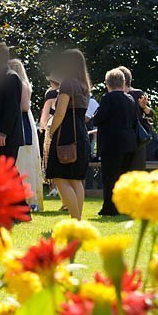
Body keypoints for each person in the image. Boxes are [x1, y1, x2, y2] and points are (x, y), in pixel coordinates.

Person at [45, 49, 91, 220]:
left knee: (59, 176)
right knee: (75, 179)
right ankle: (77, 220)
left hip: (66, 134)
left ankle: (75, 219)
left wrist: (51, 131)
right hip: (80, 133)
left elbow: (60, 113)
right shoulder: (84, 85)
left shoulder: (67, 84)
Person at [92, 69, 138, 216]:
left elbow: (98, 119)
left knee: (109, 177)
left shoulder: (108, 98)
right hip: (129, 143)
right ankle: (122, 206)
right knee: (122, 177)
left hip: (112, 143)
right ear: (123, 82)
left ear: (108, 83)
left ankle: (109, 207)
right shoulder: (130, 99)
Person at [8, 59, 43, 211]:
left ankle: (27, 199)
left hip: (21, 121)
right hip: (22, 119)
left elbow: (24, 106)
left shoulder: (21, 85)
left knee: (23, 162)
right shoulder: (25, 84)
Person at [117, 66, 153, 170]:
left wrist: (144, 107)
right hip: (122, 138)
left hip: (137, 138)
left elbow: (151, 114)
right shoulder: (115, 95)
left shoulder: (138, 93)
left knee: (136, 169)